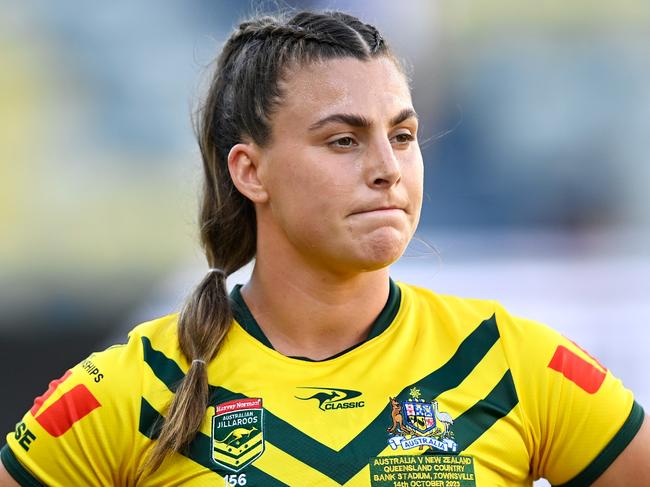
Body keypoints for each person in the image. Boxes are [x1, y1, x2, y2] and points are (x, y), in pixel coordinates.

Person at [1, 9, 648, 487]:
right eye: (343, 139)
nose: (388, 168)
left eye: (402, 135)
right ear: (250, 171)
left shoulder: (509, 361)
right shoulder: (136, 386)